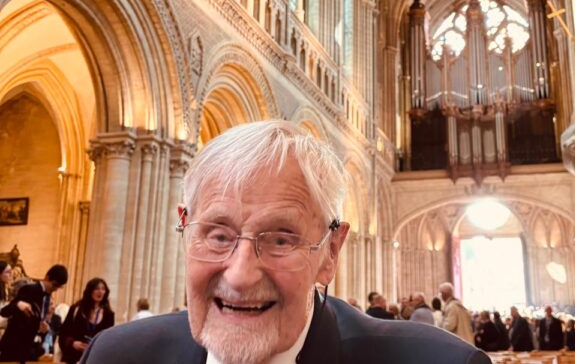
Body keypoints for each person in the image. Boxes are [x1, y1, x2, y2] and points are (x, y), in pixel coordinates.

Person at [79, 121, 489, 364]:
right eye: (218, 235)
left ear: (330, 251)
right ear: (185, 228)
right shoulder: (116, 357)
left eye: (279, 240)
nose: (239, 276)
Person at [0, 264, 68, 362]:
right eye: (55, 285)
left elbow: (37, 320)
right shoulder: (28, 289)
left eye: (59, 287)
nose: (55, 289)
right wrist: (18, 304)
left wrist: (42, 327)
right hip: (13, 346)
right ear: (47, 277)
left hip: (29, 350)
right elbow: (4, 312)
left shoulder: (48, 296)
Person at [60, 278, 115, 364]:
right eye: (96, 289)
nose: (100, 292)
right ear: (90, 291)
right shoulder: (76, 309)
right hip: (73, 358)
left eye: (103, 289)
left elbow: (109, 339)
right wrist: (72, 343)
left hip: (95, 359)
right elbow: (63, 333)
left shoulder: (109, 315)